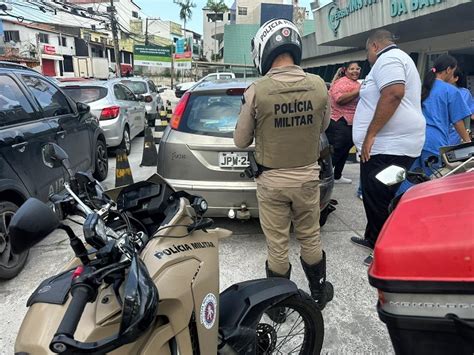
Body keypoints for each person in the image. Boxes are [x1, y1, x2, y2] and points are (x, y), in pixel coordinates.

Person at [234, 19, 334, 312]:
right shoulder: (318, 85)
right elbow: (323, 125)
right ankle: (318, 293)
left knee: (277, 244)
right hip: (307, 179)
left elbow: (241, 140)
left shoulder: (257, 90)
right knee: (310, 235)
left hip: (272, 182)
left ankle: (277, 306)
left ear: (264, 50)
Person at [350, 29, 426, 266]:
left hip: (390, 148)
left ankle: (385, 250)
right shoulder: (398, 59)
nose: (367, 58)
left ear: (374, 46)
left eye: (366, 52)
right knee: (374, 193)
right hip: (390, 147)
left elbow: (393, 93)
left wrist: (371, 133)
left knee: (380, 196)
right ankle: (373, 237)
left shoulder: (389, 59)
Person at [397, 55, 471, 195]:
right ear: (448, 70)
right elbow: (457, 121)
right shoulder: (451, 91)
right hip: (433, 140)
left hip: (413, 137)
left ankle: (400, 205)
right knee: (434, 179)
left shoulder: (420, 88)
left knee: (407, 176)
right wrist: (467, 141)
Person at [327, 62, 362, 184]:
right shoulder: (341, 82)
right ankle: (323, 176)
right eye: (352, 69)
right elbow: (339, 99)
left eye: (357, 68)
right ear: (346, 70)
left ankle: (337, 176)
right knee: (337, 151)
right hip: (339, 122)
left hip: (351, 123)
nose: (355, 71)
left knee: (345, 150)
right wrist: (357, 91)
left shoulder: (357, 84)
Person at [448, 68, 474, 145]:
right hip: (441, 132)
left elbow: (471, 114)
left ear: (456, 78)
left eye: (450, 75)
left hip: (457, 135)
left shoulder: (465, 93)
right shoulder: (440, 90)